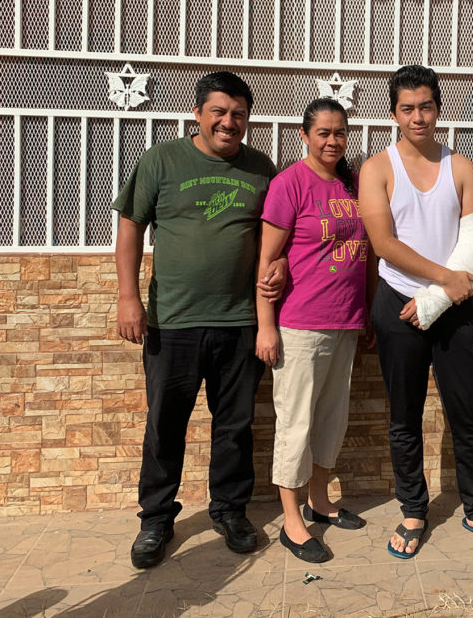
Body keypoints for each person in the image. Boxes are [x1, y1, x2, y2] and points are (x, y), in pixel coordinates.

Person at [114, 70, 282, 569]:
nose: (228, 122)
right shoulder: (161, 160)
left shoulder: (261, 169)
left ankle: (230, 510)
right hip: (173, 322)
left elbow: (278, 236)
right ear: (198, 114)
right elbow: (130, 228)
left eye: (238, 114)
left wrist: (283, 266)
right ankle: (156, 518)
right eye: (219, 112)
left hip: (238, 323)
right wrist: (127, 297)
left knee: (235, 426)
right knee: (165, 424)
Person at [358, 64, 473, 560]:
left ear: (438, 109)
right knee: (403, 415)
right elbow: (383, 244)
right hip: (397, 302)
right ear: (394, 114)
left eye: (426, 106)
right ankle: (413, 510)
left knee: (467, 412)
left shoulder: (462, 168)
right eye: (408, 108)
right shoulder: (377, 169)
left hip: (456, 309)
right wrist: (441, 278)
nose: (418, 116)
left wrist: (447, 289)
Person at [255, 97, 373, 564]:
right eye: (323, 132)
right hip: (301, 323)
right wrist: (266, 325)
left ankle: (319, 500)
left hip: (345, 321)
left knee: (331, 419)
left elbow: (368, 251)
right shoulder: (290, 184)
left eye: (340, 132)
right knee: (297, 421)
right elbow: (267, 261)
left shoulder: (353, 183)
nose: (332, 140)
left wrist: (363, 314)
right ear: (304, 135)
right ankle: (292, 520)